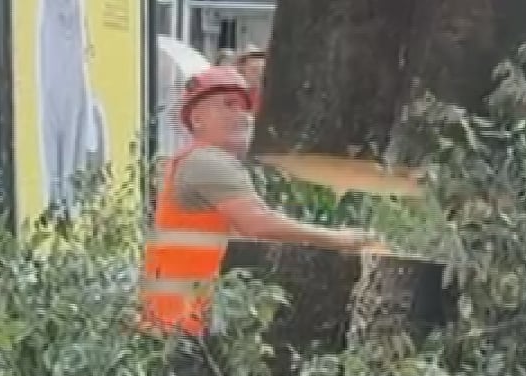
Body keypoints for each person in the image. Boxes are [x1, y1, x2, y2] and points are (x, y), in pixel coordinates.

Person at [140, 64, 378, 342]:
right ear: (197, 118)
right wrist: (341, 240)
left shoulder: (195, 161)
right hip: (185, 324)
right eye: (228, 105)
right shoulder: (206, 162)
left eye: (244, 107)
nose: (241, 115)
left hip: (174, 320)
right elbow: (259, 223)